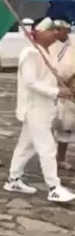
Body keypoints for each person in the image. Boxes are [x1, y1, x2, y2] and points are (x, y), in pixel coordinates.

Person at [5, 17, 75, 202]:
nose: (55, 33)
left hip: (45, 108)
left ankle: (13, 179)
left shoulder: (47, 53)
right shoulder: (30, 53)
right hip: (34, 108)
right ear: (40, 32)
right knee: (47, 148)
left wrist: (62, 88)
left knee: (26, 147)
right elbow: (31, 82)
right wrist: (56, 91)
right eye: (52, 30)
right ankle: (54, 187)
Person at [49, 19, 75, 170]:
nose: (57, 32)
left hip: (68, 89)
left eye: (61, 29)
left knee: (66, 125)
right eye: (55, 29)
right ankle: (47, 157)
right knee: (48, 125)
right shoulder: (47, 46)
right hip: (50, 88)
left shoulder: (73, 46)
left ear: (67, 30)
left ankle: (61, 157)